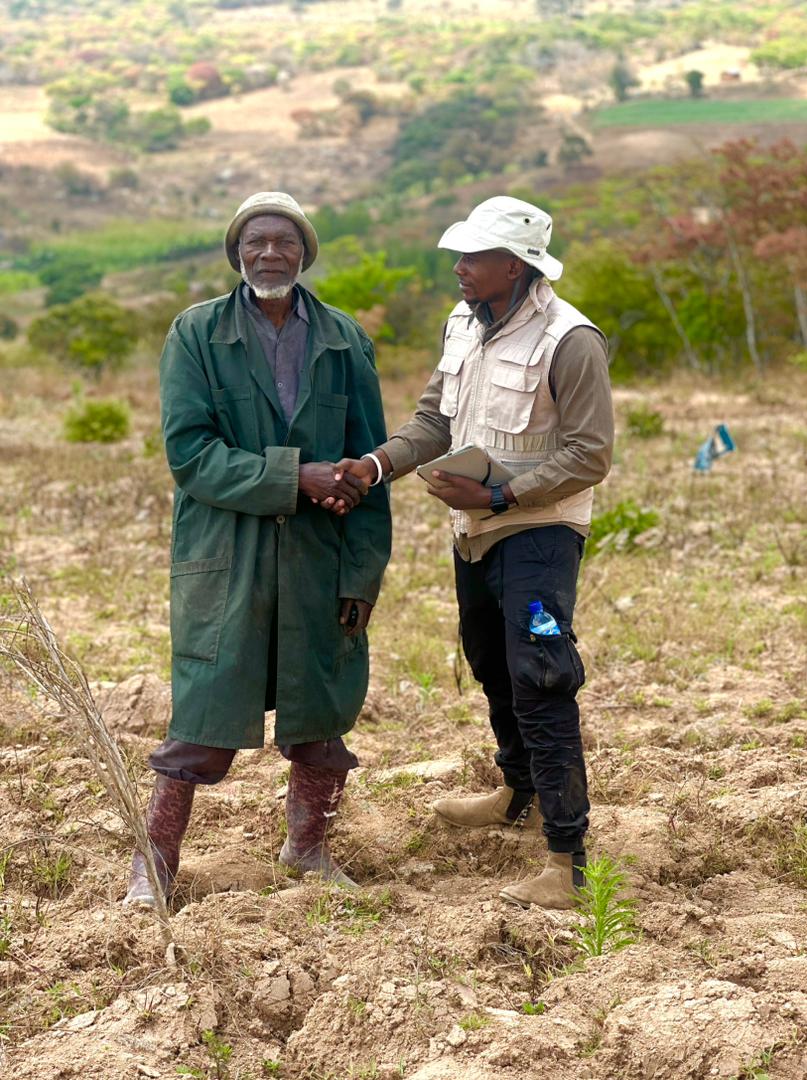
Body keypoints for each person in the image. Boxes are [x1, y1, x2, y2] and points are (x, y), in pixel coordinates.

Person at [337, 196, 613, 909]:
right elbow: (435, 420)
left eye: (474, 256)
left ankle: (568, 861)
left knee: (542, 674)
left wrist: (500, 495)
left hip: (540, 533)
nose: (459, 267)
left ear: (516, 266)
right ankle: (518, 791)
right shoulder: (461, 324)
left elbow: (590, 453)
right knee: (490, 661)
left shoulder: (570, 339)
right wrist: (375, 466)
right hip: (475, 531)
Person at [124, 191, 391, 905]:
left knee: (321, 713)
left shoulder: (344, 340)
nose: (271, 253)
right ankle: (153, 865)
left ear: (305, 252)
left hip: (319, 558)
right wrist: (295, 476)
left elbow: (369, 466)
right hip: (226, 554)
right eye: (256, 241)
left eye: (286, 241)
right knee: (204, 715)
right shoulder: (196, 333)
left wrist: (361, 574)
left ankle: (308, 850)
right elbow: (191, 456)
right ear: (236, 252)